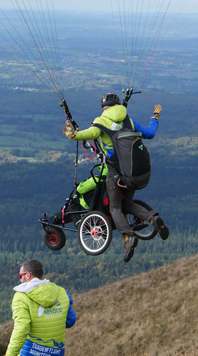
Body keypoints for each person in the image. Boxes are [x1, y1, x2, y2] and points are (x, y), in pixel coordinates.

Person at [62, 93, 169, 262]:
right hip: (133, 172)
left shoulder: (101, 122)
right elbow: (150, 133)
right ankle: (152, 217)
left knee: (115, 207)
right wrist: (155, 116)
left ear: (103, 107)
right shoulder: (129, 120)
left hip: (116, 174)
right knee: (128, 203)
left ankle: (128, 237)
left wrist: (72, 134)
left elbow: (87, 135)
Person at [3, 259, 76, 356]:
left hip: (31, 354)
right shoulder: (62, 292)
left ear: (28, 275)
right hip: (54, 352)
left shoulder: (21, 296)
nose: (20, 279)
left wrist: (10, 354)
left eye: (20, 275)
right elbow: (70, 322)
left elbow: (22, 327)